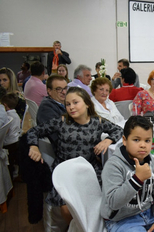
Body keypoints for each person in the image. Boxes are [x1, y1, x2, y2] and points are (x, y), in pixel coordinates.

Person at [27, 87, 123, 225]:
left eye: (75, 102)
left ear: (87, 104)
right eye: (68, 104)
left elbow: (118, 130)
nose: (71, 107)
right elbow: (33, 131)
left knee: (101, 203)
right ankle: (77, 228)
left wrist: (108, 140)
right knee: (67, 209)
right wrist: (33, 146)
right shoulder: (61, 121)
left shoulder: (98, 122)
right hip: (65, 170)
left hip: (89, 169)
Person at [100, 116, 154, 232]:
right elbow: (113, 202)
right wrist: (137, 179)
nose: (143, 145)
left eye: (147, 140)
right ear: (124, 140)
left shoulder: (151, 162)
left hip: (149, 212)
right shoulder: (113, 165)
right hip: (121, 219)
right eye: (136, 140)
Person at [37, 75, 68, 149]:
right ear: (49, 91)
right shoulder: (46, 109)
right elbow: (58, 137)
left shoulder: (64, 103)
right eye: (58, 89)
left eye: (65, 88)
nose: (64, 92)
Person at [1, 93, 21, 180]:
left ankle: (9, 178)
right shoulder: (16, 115)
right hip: (16, 140)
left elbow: (6, 131)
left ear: (5, 105)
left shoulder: (8, 117)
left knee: (10, 162)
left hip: (9, 143)